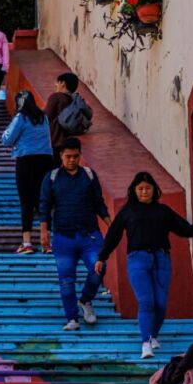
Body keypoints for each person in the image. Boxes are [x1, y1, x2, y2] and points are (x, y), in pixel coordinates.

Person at [94, 172, 193, 358]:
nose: (144, 192)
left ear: (154, 190)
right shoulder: (127, 211)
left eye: (148, 188)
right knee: (146, 301)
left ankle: (153, 335)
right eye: (140, 188)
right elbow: (113, 235)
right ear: (134, 190)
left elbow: (184, 229)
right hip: (137, 260)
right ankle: (146, 343)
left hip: (161, 259)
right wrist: (102, 257)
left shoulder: (163, 211)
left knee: (161, 304)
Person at [39, 138, 109, 330]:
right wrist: (44, 231)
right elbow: (44, 205)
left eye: (76, 156)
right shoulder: (52, 177)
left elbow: (99, 202)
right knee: (66, 279)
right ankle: (72, 318)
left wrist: (111, 224)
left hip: (90, 235)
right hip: (63, 237)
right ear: (61, 156)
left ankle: (85, 300)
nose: (72, 160)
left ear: (80, 155)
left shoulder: (89, 175)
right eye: (68, 156)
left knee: (99, 268)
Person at [0, 90, 54, 254]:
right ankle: (47, 242)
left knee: (26, 201)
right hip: (46, 161)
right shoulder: (43, 117)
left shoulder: (21, 117)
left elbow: (7, 139)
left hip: (26, 161)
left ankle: (27, 243)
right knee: (43, 201)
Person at [44, 72, 80, 162]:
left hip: (54, 141)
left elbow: (46, 118)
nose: (55, 85)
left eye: (57, 82)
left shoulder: (56, 97)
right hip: (67, 142)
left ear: (63, 83)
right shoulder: (74, 100)